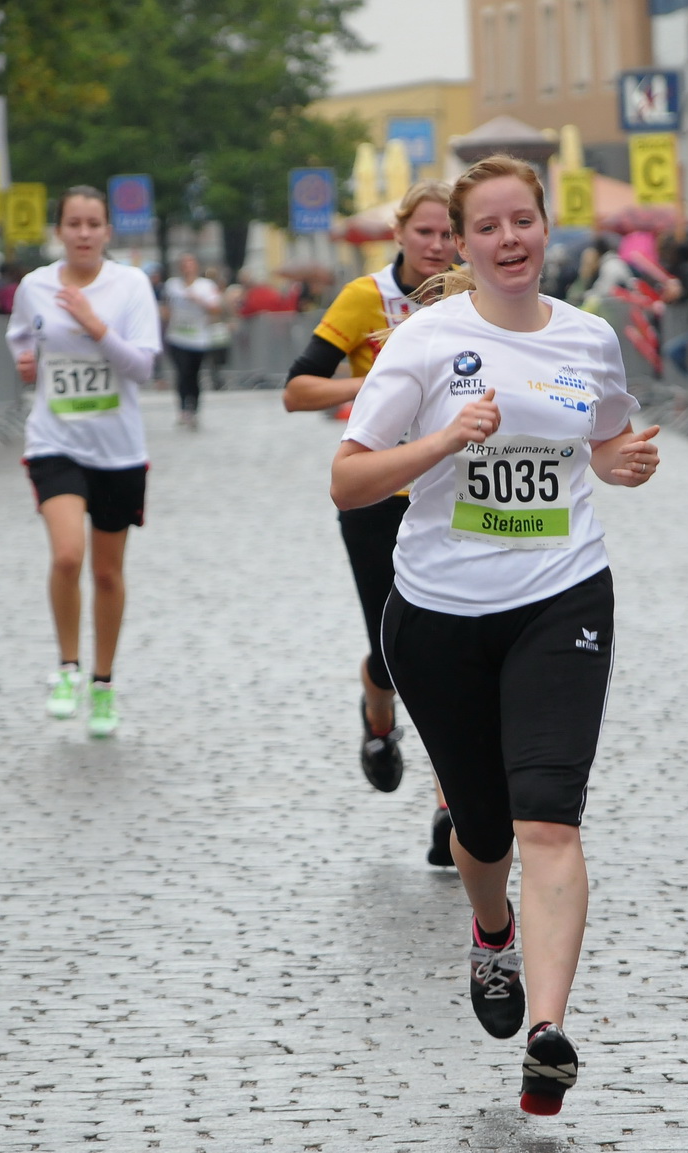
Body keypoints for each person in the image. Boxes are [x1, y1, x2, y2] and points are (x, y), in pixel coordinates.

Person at [330, 155, 659, 1115]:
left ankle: (549, 1032)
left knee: (549, 814)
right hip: (437, 612)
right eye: (489, 227)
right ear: (463, 243)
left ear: (545, 228)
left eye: (525, 221)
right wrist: (441, 441)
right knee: (479, 825)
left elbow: (599, 440)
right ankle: (490, 932)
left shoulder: (590, 339)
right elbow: (349, 480)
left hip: (561, 595)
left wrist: (620, 460)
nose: (510, 239)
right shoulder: (427, 342)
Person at [282, 181, 459, 863]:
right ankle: (378, 718)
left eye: (448, 234)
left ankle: (450, 808)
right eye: (426, 234)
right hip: (378, 495)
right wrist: (377, 381)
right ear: (400, 234)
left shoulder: (472, 301)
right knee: (392, 651)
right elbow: (297, 390)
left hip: (450, 497)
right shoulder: (365, 300)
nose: (437, 247)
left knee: (449, 656)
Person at [6, 186, 162, 737]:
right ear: (59, 230)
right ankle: (68, 668)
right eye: (73, 223)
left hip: (118, 449)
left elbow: (143, 366)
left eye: (94, 223)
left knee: (106, 571)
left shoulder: (130, 286)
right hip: (54, 440)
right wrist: (24, 361)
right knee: (69, 556)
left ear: (108, 231)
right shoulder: (35, 286)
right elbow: (19, 335)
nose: (84, 233)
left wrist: (97, 327)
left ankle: (103, 683)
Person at [161, 253, 224, 429]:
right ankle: (183, 409)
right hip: (177, 336)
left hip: (198, 338)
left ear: (196, 266)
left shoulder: (205, 286)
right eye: (184, 263)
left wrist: (199, 300)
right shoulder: (172, 285)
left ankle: (194, 408)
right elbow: (166, 307)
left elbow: (216, 308)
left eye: (191, 263)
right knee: (181, 373)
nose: (187, 267)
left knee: (194, 375)